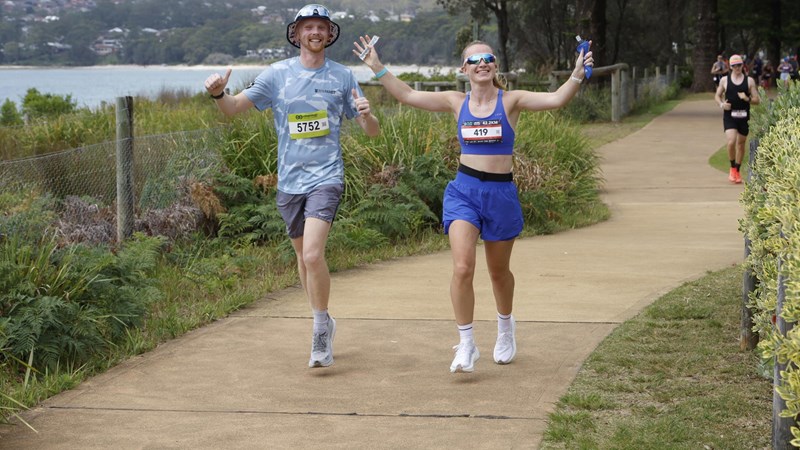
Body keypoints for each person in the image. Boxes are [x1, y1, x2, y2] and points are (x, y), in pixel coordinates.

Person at [352, 36, 592, 373]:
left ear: (495, 66)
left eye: (488, 59)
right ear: (464, 69)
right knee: (463, 267)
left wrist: (577, 73)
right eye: (475, 60)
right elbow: (407, 95)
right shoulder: (455, 101)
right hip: (463, 192)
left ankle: (505, 327)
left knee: (498, 272)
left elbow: (556, 99)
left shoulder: (512, 100)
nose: (482, 64)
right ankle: (466, 343)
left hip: (500, 194)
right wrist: (377, 67)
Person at [204, 4, 380, 368]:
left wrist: (367, 115)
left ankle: (319, 329)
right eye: (308, 27)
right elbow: (233, 108)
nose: (315, 32)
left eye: (321, 27)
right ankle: (323, 319)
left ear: (329, 34)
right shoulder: (276, 74)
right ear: (296, 34)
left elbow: (371, 131)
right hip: (289, 182)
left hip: (327, 177)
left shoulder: (343, 76)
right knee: (302, 258)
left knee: (313, 255)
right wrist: (219, 94)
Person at [713, 54, 760, 184]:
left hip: (744, 116)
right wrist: (722, 104)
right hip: (730, 116)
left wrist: (747, 98)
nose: (737, 68)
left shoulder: (749, 81)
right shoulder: (725, 80)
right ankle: (732, 167)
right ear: (730, 67)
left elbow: (757, 100)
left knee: (741, 144)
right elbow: (717, 96)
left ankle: (737, 171)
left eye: (739, 65)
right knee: (731, 141)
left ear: (742, 65)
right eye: (734, 66)